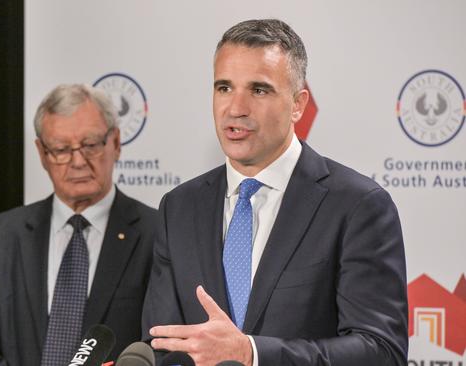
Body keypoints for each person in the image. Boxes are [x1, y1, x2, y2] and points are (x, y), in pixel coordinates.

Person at [142, 19, 408, 366]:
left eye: (259, 90)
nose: (235, 108)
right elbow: (161, 343)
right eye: (224, 88)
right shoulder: (178, 208)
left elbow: (381, 352)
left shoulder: (357, 206)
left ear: (298, 104)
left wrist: (251, 353)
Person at [0, 84, 158, 365]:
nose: (77, 161)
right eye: (61, 149)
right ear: (42, 153)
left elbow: (162, 343)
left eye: (90, 145)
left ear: (115, 143)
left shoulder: (157, 234)